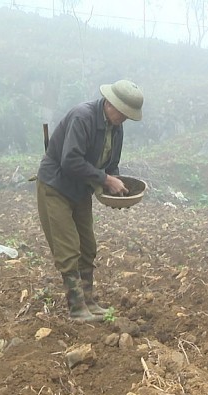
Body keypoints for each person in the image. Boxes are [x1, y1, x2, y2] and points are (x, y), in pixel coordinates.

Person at [36, 80, 144, 322]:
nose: (124, 119)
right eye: (123, 113)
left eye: (129, 116)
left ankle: (89, 301)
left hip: (81, 189)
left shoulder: (117, 127)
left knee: (88, 246)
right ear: (111, 103)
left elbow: (111, 163)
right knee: (68, 247)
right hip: (56, 186)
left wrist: (114, 187)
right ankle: (76, 308)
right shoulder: (82, 117)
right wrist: (105, 179)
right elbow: (70, 160)